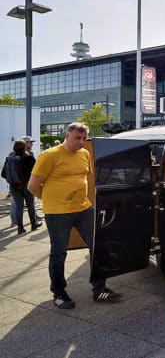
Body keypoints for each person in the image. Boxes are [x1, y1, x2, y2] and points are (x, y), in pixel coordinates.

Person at [27, 122, 121, 309]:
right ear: (66, 136)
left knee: (100, 247)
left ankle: (99, 289)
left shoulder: (85, 153)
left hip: (84, 210)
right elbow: (33, 186)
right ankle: (59, 293)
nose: (81, 141)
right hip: (57, 213)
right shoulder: (49, 155)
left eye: (84, 138)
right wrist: (53, 200)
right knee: (59, 252)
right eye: (77, 138)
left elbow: (87, 179)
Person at [2, 140, 42, 234]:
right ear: (25, 147)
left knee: (19, 207)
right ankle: (33, 224)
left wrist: (12, 181)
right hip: (27, 186)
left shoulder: (9, 158)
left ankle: (20, 228)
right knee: (30, 205)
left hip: (14, 186)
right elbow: (36, 172)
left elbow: (3, 174)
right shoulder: (29, 158)